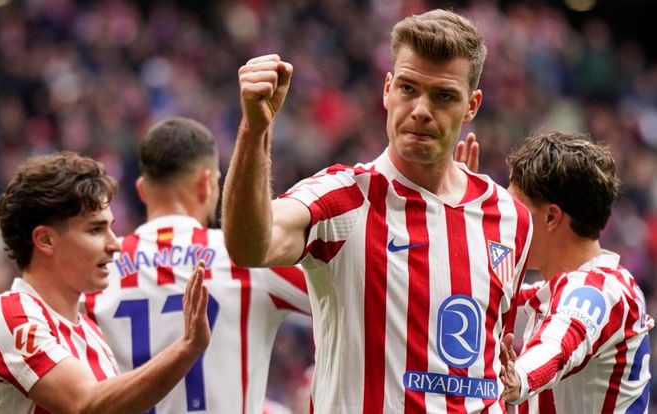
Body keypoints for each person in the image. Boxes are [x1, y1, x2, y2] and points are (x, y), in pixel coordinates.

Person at [222, 8, 533, 413]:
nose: (421, 109)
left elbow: (492, 362)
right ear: (387, 89)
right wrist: (254, 130)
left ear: (471, 106)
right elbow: (250, 246)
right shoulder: (344, 198)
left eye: (443, 96)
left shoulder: (510, 217)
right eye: (408, 88)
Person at [84, 117, 311, 414]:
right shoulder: (248, 259)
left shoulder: (98, 269)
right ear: (206, 184)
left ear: (142, 190)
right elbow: (342, 296)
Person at [0, 152, 210, 413]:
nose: (115, 244)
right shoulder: (10, 315)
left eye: (111, 227)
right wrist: (187, 347)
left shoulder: (91, 332)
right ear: (45, 240)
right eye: (95, 230)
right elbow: (83, 404)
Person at [489, 132, 652, 413]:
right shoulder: (551, 293)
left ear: (551, 217)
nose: (504, 219)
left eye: (514, 208)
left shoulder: (602, 290)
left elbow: (559, 343)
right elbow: (483, 296)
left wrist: (519, 377)